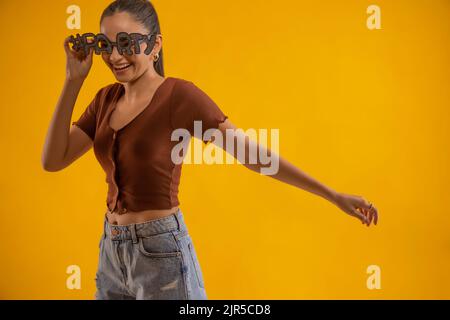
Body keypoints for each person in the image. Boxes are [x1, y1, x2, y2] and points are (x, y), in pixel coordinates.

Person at [41, 0, 378, 300]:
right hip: (111, 254)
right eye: (106, 45)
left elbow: (254, 156)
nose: (114, 56)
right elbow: (53, 160)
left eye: (126, 43)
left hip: (161, 254)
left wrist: (333, 195)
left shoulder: (179, 97)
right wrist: (73, 80)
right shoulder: (105, 100)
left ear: (155, 45)